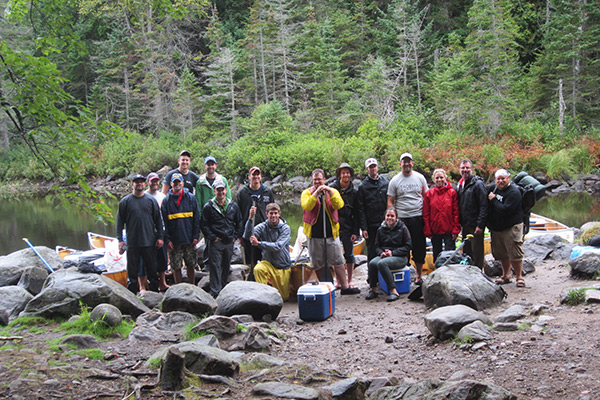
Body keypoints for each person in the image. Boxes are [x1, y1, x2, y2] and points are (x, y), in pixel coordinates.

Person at [301, 168, 360, 295]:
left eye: (319, 180)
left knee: (338, 260)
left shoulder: (333, 191)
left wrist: (329, 192)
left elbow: (339, 205)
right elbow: (307, 206)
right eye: (315, 180)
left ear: (324, 180)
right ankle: (325, 286)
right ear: (312, 181)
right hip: (314, 234)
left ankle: (345, 286)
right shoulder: (307, 193)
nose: (317, 182)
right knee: (318, 262)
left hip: (331, 234)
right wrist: (316, 193)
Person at [116, 174, 164, 293]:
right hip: (132, 243)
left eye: (142, 182)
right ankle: (132, 296)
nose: (140, 184)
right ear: (132, 184)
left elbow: (158, 220)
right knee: (132, 273)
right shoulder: (125, 202)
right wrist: (120, 240)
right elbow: (119, 223)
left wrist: (160, 237)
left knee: (152, 272)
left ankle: (154, 296)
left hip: (149, 242)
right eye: (137, 182)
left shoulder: (151, 201)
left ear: (144, 183)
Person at [387, 152, 428, 283]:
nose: (406, 164)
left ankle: (419, 276)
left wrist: (427, 216)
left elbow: (426, 197)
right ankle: (403, 275)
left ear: (412, 163)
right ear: (400, 164)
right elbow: (390, 201)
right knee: (401, 247)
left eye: (408, 161)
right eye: (404, 162)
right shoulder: (395, 180)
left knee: (419, 247)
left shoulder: (420, 178)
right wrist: (393, 218)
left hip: (417, 216)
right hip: (402, 218)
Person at [200, 180, 243, 297]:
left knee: (226, 266)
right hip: (216, 242)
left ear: (226, 190)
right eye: (218, 190)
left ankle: (224, 290)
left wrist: (235, 236)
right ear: (214, 191)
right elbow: (204, 224)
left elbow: (239, 222)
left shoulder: (233, 205)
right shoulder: (208, 207)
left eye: (222, 190)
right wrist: (212, 237)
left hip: (229, 241)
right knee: (215, 267)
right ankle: (215, 293)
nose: (221, 192)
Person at [245, 203, 292, 300]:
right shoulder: (262, 227)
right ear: (267, 214)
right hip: (268, 263)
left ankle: (273, 290)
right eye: (271, 213)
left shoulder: (285, 228)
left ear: (279, 214)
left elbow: (278, 246)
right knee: (258, 269)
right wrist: (250, 218)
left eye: (275, 213)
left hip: (282, 265)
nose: (273, 216)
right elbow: (248, 235)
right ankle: (263, 298)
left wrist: (259, 244)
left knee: (284, 298)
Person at [487, 169, 525, 287]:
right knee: (502, 253)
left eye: (503, 178)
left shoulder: (514, 192)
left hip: (512, 226)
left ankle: (519, 277)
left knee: (515, 252)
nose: (501, 181)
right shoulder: (493, 188)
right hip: (497, 227)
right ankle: (506, 276)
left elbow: (505, 209)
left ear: (508, 178)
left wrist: (493, 199)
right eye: (498, 179)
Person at [161, 173, 201, 285]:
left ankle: (192, 286)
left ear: (183, 183)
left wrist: (196, 236)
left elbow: (196, 219)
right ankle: (178, 288)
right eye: (175, 182)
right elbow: (163, 223)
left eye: (179, 182)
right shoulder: (166, 201)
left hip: (189, 239)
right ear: (171, 184)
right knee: (176, 266)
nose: (177, 184)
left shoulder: (191, 198)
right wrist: (167, 240)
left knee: (191, 264)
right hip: (174, 241)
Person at [366, 208, 412, 302]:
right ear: (385, 217)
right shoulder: (380, 229)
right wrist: (381, 253)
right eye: (388, 216)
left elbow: (408, 246)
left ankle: (393, 291)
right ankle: (373, 289)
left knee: (382, 264)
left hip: (400, 256)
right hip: (385, 255)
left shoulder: (403, 228)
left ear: (396, 218)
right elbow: (377, 246)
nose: (389, 218)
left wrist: (393, 253)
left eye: (392, 216)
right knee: (372, 263)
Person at [357, 158, 389, 287]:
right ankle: (372, 281)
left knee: (386, 251)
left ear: (377, 167)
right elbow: (360, 209)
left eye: (374, 166)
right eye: (370, 167)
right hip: (371, 226)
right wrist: (363, 228)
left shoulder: (385, 183)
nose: (373, 169)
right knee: (371, 253)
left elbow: (390, 204)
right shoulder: (363, 186)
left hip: (385, 225)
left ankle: (385, 279)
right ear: (367, 169)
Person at [237, 166, 275, 277]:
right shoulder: (242, 193)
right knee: (250, 260)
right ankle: (251, 277)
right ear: (249, 177)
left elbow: (273, 210)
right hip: (249, 231)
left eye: (258, 174)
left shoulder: (267, 192)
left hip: (265, 232)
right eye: (253, 174)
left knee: (265, 259)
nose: (256, 177)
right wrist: (240, 235)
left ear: (261, 176)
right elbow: (238, 215)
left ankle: (264, 279)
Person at [330, 163, 360, 288]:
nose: (345, 175)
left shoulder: (354, 192)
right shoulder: (332, 189)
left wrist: (355, 231)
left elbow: (357, 213)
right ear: (339, 175)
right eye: (343, 173)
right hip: (335, 225)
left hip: (348, 226)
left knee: (349, 254)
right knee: (336, 255)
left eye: (347, 173)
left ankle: (350, 280)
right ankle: (338, 281)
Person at [456, 158, 489, 269]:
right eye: (463, 168)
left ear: (471, 169)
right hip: (465, 224)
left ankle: (479, 271)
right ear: (459, 169)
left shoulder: (478, 184)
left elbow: (484, 205)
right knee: (467, 251)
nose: (465, 170)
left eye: (467, 168)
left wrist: (480, 225)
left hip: (475, 225)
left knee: (477, 252)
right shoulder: (460, 184)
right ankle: (468, 272)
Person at [423, 168, 460, 262]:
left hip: (449, 230)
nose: (439, 180)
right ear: (433, 180)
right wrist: (427, 230)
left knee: (450, 255)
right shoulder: (429, 194)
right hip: (435, 230)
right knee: (437, 254)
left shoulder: (452, 193)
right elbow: (426, 214)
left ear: (445, 178)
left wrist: (456, 229)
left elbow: (456, 212)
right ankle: (438, 269)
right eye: (437, 178)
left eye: (441, 177)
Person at [145, 172, 169, 291]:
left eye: (156, 181)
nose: (155, 183)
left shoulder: (162, 196)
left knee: (162, 258)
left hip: (161, 230)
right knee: (147, 259)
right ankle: (146, 284)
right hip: (147, 232)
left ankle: (162, 283)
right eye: (152, 181)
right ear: (148, 182)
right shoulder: (143, 196)